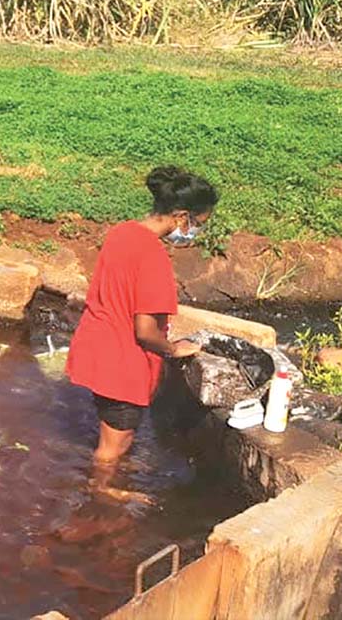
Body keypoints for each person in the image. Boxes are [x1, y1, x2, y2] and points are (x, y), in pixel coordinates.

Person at [66, 166, 218, 498]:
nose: (195, 232)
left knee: (113, 428)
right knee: (114, 443)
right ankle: (101, 490)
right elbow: (145, 331)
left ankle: (110, 471)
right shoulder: (154, 258)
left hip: (96, 348)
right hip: (121, 363)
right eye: (197, 224)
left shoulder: (123, 232)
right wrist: (174, 348)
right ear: (180, 217)